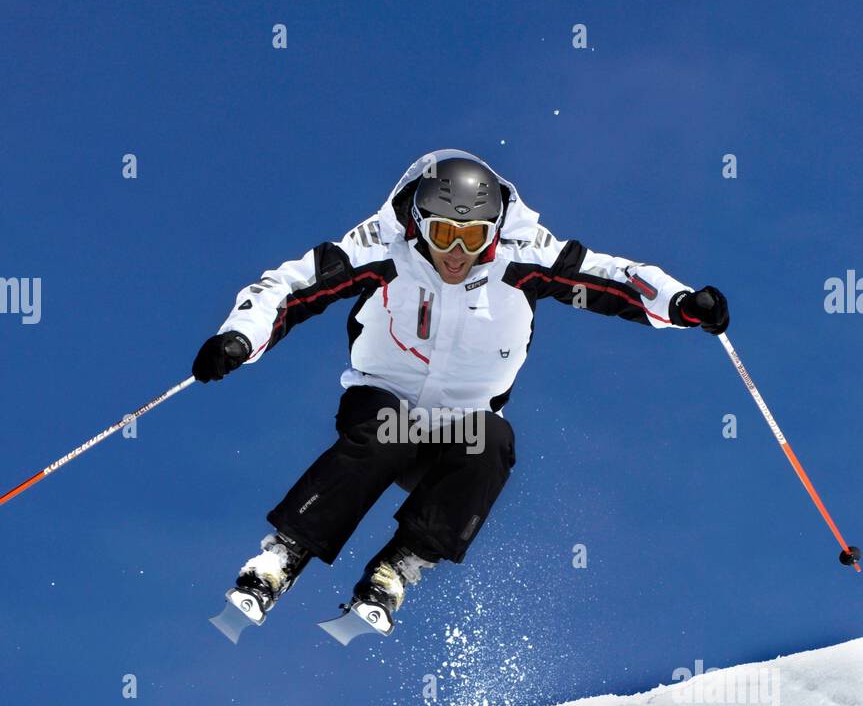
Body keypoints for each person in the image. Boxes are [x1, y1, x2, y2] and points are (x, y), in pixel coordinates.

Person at [193, 149, 729, 632]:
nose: (455, 252)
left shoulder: (525, 255)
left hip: (461, 422)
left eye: (472, 238)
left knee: (493, 441)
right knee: (386, 433)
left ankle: (401, 562)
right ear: (419, 224)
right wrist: (239, 339)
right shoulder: (383, 245)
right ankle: (285, 554)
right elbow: (291, 286)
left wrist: (682, 303)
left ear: (493, 232)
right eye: (443, 233)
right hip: (384, 396)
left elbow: (611, 277)